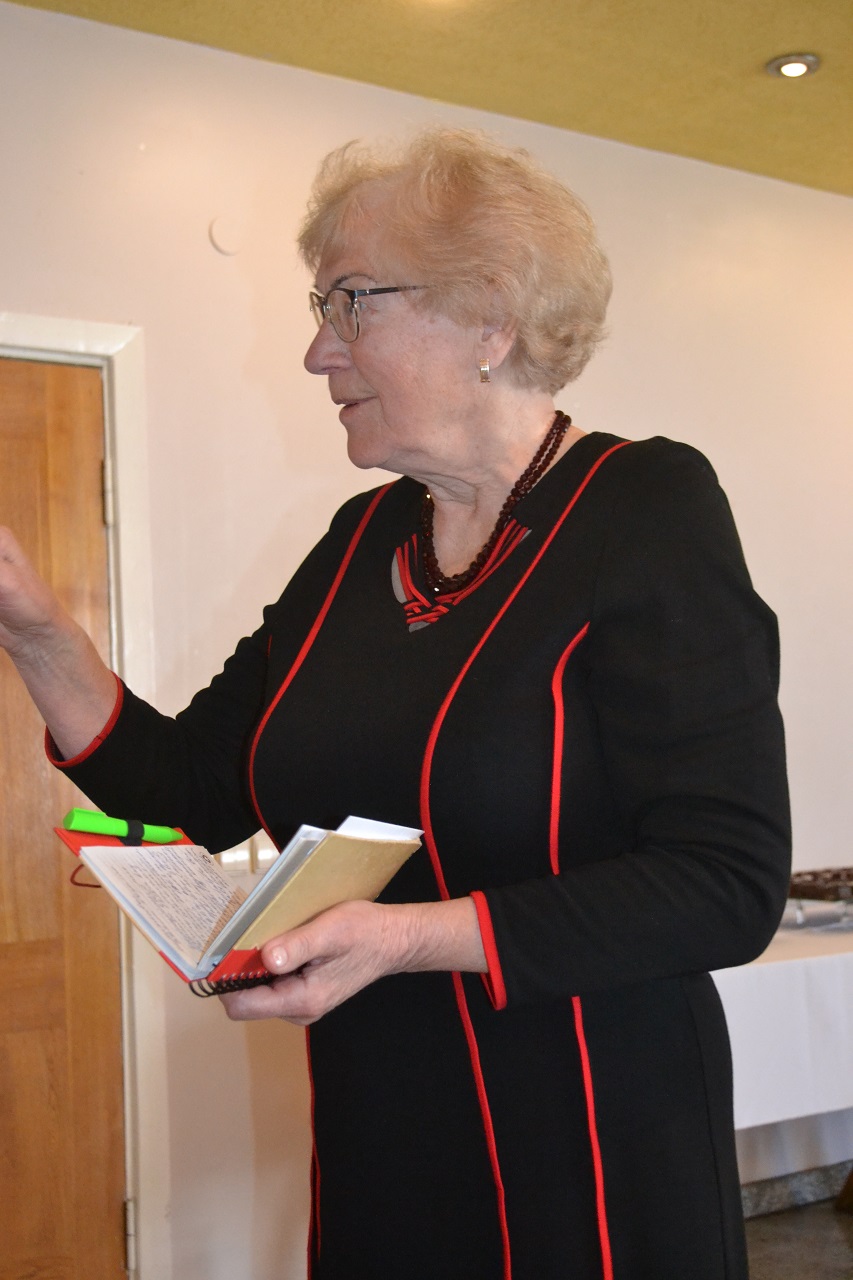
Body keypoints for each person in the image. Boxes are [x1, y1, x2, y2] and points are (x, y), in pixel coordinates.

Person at [0, 128, 790, 1279]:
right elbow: (191, 791)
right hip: (385, 1135)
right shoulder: (357, 540)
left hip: (587, 1142)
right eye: (320, 306)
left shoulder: (643, 505)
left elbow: (725, 883)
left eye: (350, 301)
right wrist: (34, 627)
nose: (317, 350)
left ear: (490, 317)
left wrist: (409, 936)